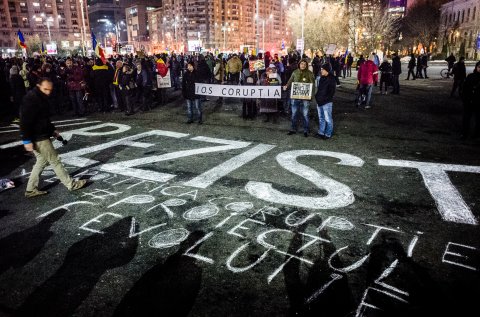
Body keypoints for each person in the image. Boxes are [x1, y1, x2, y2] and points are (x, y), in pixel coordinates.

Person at [20, 78, 87, 198]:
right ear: (38, 85)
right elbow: (25, 121)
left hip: (40, 134)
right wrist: (26, 140)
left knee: (41, 161)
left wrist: (52, 130)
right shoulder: (31, 99)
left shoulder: (40, 97)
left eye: (50, 90)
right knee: (55, 161)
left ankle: (30, 189)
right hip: (38, 137)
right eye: (45, 89)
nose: (48, 92)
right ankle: (71, 184)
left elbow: (43, 119)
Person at [283, 59, 315, 137]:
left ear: (306, 65)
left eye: (304, 64)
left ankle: (306, 130)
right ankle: (293, 129)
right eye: (301, 64)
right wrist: (286, 86)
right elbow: (290, 81)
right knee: (294, 114)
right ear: (299, 64)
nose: (303, 65)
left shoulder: (310, 73)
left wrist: (311, 96)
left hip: (305, 98)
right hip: (295, 97)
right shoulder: (295, 72)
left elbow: (313, 85)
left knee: (305, 114)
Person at [314, 64, 336, 140]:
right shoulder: (321, 78)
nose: (321, 70)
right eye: (321, 69)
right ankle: (321, 132)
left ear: (327, 70)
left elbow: (331, 92)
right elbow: (320, 90)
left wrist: (324, 99)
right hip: (319, 101)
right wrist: (317, 97)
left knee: (328, 119)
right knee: (321, 118)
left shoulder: (332, 79)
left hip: (327, 103)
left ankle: (328, 134)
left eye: (323, 69)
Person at [461, 61, 480, 139]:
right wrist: (465, 99)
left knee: (478, 120)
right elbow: (465, 88)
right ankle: (465, 133)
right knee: (466, 119)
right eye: (479, 67)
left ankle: (476, 134)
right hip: (469, 101)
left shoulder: (471, 76)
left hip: (478, 102)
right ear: (476, 67)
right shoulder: (471, 76)